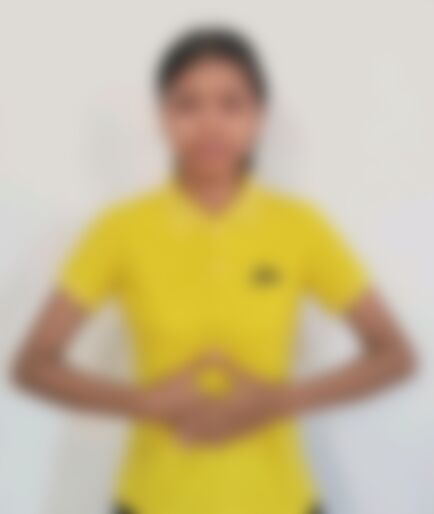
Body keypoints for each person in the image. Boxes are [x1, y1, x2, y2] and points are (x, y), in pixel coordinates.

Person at [14, 28, 415, 514]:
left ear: (258, 117)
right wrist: (145, 402)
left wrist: (276, 400)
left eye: (231, 104)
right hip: (152, 498)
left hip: (279, 500)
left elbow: (394, 354)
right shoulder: (120, 229)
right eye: (188, 104)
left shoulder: (299, 226)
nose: (210, 124)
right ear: (163, 116)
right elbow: (33, 364)